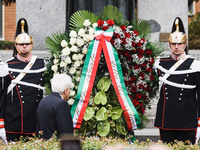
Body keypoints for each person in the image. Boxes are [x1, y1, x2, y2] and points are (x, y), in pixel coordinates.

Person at [153, 17, 200, 144]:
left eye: (180, 44)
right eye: (174, 44)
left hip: (187, 118)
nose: (177, 47)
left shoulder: (195, 64)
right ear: (169, 45)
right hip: (167, 117)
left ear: (185, 45)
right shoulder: (160, 64)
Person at [0, 18, 46, 142]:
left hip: (35, 121)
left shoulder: (42, 64)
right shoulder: (6, 66)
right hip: (13, 123)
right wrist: (1, 124)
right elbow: (1, 98)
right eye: (21, 44)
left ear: (32, 44)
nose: (24, 46)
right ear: (16, 45)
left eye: (27, 44)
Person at [36, 74, 73, 140]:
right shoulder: (61, 104)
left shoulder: (43, 101)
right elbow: (66, 132)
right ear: (66, 90)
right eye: (70, 89)